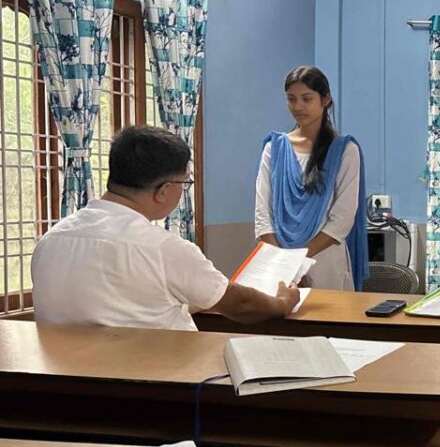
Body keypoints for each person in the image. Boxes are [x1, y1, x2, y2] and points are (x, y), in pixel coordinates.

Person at [32, 126, 299, 331]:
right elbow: (241, 305)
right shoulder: (162, 248)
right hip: (159, 378)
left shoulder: (50, 240)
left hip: (67, 382)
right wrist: (283, 302)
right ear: (164, 190)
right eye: (184, 184)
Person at [254, 66, 368, 291]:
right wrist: (284, 265)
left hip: (324, 261)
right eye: (291, 99)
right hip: (279, 262)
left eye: (306, 99)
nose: (298, 107)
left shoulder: (345, 150)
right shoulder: (273, 148)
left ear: (325, 100)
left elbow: (342, 219)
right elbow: (262, 214)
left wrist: (298, 262)